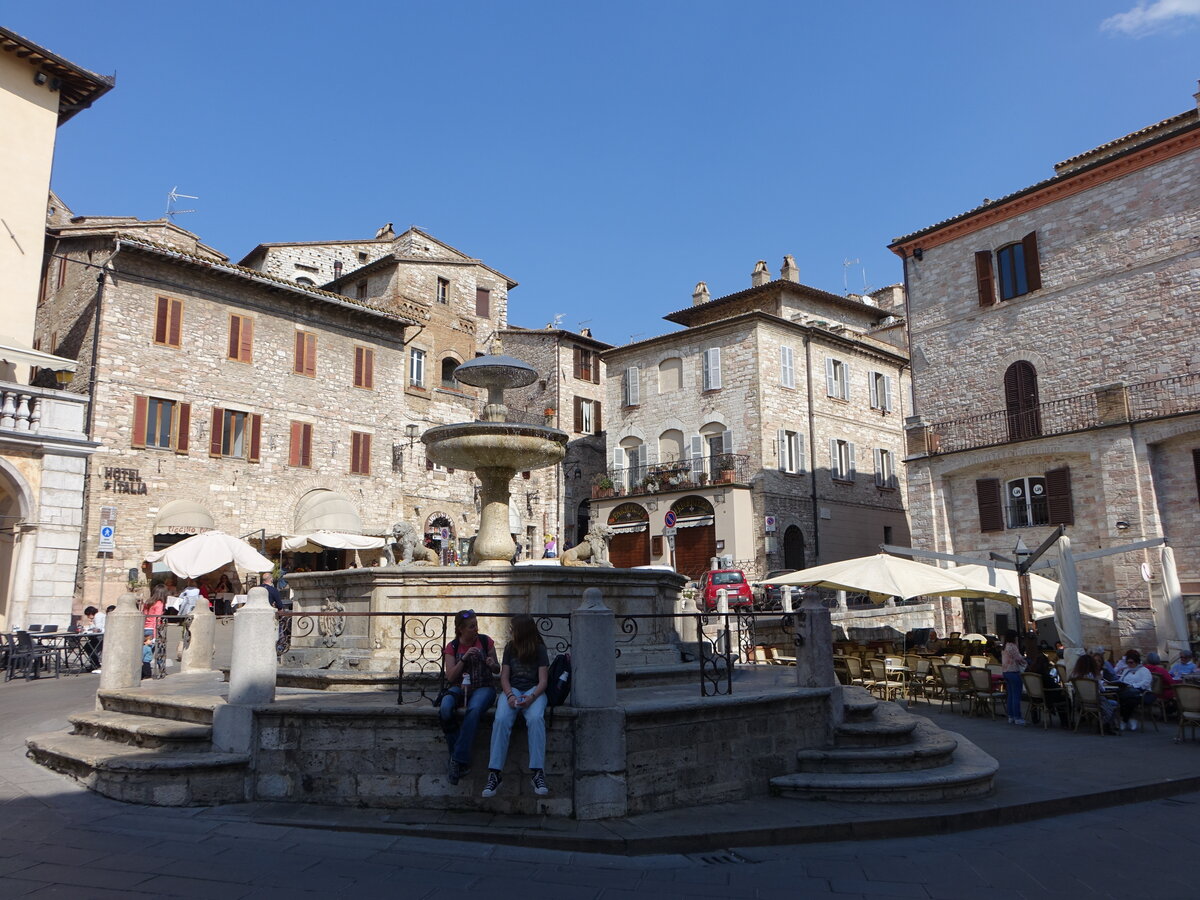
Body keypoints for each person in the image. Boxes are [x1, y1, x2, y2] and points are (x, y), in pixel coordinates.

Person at [482, 615, 550, 798]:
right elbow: (504, 677)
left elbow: (543, 681)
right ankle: (495, 773)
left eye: (512, 628)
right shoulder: (510, 648)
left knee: (536, 719)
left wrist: (531, 697)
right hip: (513, 690)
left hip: (534, 690)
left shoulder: (540, 649)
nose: (510, 631)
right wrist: (511, 695)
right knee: (501, 719)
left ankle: (537, 772)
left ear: (521, 631)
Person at [439, 610, 499, 785]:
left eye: (476, 625)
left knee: (473, 710)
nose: (476, 629)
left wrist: (491, 664)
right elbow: (450, 677)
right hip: (459, 687)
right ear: (460, 629)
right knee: (445, 708)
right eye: (471, 626)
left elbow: (497, 669)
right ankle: (460, 760)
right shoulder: (453, 647)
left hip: (484, 687)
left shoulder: (485, 641)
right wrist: (464, 659)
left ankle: (457, 760)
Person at [1071, 652, 1117, 731]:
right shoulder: (1093, 677)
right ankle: (1107, 725)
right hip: (1096, 702)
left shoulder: (1074, 676)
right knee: (1114, 703)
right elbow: (1102, 689)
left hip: (1081, 702)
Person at [1027, 646, 1069, 726]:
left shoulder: (1030, 672)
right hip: (1046, 696)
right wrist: (1061, 688)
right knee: (1064, 698)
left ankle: (1035, 717)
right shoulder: (1043, 675)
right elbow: (1053, 686)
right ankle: (1065, 721)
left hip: (1034, 696)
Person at [1116, 649, 1153, 731]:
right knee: (1124, 697)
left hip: (1141, 692)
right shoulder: (1126, 670)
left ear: (1136, 662)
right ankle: (1129, 718)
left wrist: (1133, 686)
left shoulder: (1144, 671)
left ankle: (1124, 720)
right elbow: (1121, 680)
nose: (1129, 665)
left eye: (1131, 662)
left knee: (1128, 698)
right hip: (1127, 692)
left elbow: (1146, 683)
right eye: (1128, 663)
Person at [1001, 630, 1026, 725]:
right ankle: (1017, 717)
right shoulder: (1012, 646)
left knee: (1010, 695)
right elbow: (1018, 658)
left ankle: (1010, 716)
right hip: (1013, 671)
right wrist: (1026, 661)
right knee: (1016, 695)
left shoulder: (1004, 646)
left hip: (1005, 672)